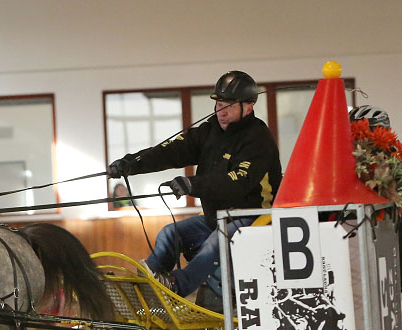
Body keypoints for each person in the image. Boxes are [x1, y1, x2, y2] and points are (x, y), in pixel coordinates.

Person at [107, 70, 281, 297]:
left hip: (255, 217)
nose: (221, 112)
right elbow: (171, 150)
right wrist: (132, 164)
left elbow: (237, 183)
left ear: (248, 107)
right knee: (170, 233)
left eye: (228, 106)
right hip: (216, 217)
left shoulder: (258, 139)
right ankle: (147, 288)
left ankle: (175, 287)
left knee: (214, 244)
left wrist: (193, 184)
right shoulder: (210, 131)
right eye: (218, 105)